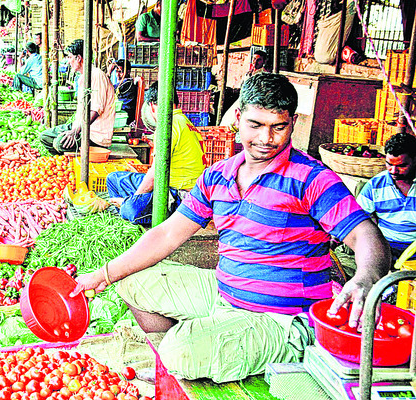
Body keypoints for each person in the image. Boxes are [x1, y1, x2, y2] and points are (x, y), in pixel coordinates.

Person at [72, 73, 390, 383]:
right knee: (130, 281)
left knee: (180, 350)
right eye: (256, 126)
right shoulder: (218, 176)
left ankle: (197, 353)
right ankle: (201, 350)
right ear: (237, 118)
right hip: (224, 294)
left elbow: (366, 234)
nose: (266, 139)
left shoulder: (311, 178)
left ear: (292, 123)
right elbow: (167, 234)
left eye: (278, 127)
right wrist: (102, 276)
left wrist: (365, 277)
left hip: (282, 318)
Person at [106, 82, 204, 224]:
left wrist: (135, 199)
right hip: (173, 186)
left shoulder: (168, 125)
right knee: (113, 179)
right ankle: (128, 208)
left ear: (151, 106)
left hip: (179, 197)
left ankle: (127, 211)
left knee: (131, 209)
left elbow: (154, 174)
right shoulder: (186, 123)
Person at [39, 39, 115, 155]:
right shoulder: (82, 78)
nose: (68, 61)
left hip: (94, 135)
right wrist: (73, 129)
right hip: (79, 127)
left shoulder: (96, 75)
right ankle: (64, 161)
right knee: (45, 136)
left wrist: (75, 131)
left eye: (70, 57)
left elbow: (95, 110)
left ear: (79, 58)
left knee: (59, 143)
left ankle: (71, 162)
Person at [358, 132, 416, 262]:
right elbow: (356, 218)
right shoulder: (375, 185)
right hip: (385, 248)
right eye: (389, 164)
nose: (393, 171)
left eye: (401, 166)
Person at [107, 59, 138, 124]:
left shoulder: (127, 83)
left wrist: (109, 72)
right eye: (116, 72)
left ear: (128, 72)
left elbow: (106, 88)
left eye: (120, 72)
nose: (118, 75)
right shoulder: (125, 83)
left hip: (126, 115)